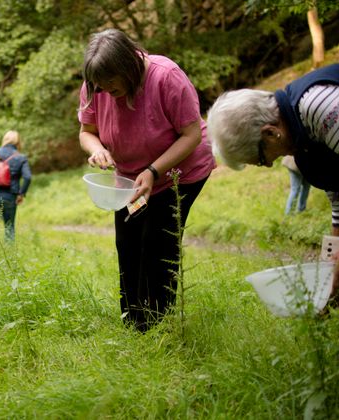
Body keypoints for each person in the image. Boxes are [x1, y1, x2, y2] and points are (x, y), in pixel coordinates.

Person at [78, 29, 216, 332]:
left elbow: (191, 134)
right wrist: (98, 149)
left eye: (109, 82)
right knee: (127, 241)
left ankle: (153, 325)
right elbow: (87, 132)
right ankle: (132, 321)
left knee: (156, 241)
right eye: (97, 84)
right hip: (130, 181)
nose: (102, 89)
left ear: (128, 66)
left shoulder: (166, 77)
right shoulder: (96, 85)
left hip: (178, 173)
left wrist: (154, 171)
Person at [206, 63, 339, 301]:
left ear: (270, 133)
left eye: (259, 159)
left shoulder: (320, 107)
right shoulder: (304, 145)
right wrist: (329, 278)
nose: (268, 165)